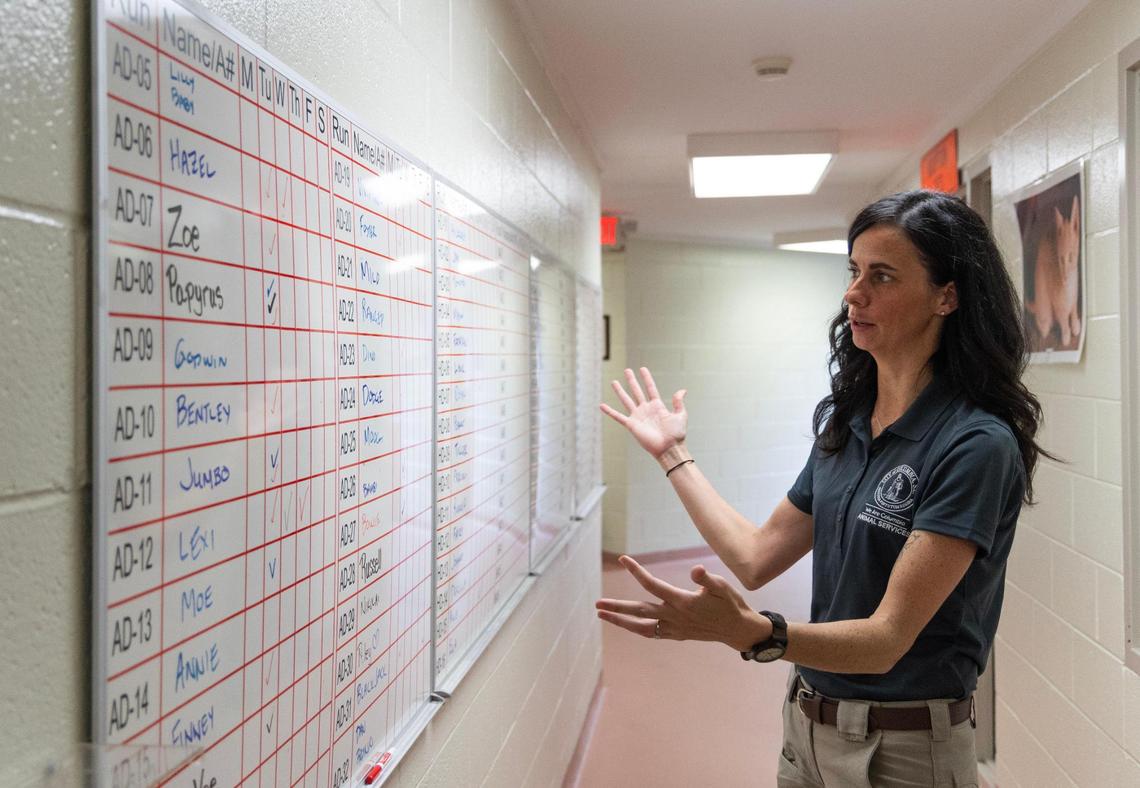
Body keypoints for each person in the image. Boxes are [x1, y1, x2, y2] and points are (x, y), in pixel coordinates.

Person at [597, 190, 1049, 787]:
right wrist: (671, 453)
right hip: (806, 728)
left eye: (882, 276)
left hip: (905, 750)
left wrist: (755, 633)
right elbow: (756, 556)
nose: (854, 293)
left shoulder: (974, 444)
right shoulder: (851, 422)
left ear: (947, 296)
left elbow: (886, 639)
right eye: (854, 271)